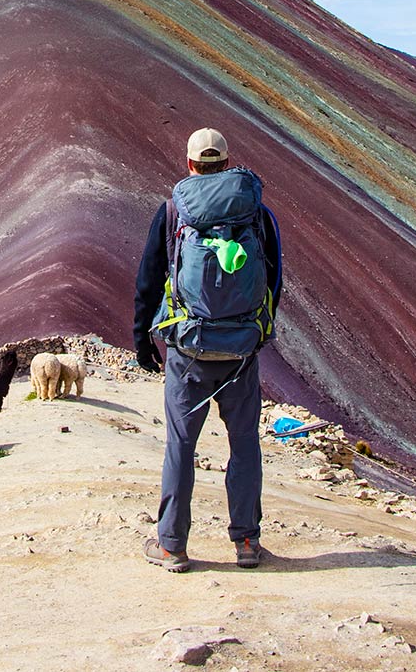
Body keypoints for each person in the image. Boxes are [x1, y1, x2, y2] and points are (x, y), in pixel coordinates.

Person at [134, 127, 282, 572]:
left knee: (181, 444)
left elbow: (148, 279)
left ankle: (172, 546)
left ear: (190, 163)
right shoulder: (257, 213)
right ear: (226, 162)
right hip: (240, 351)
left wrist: (143, 338)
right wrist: (256, 333)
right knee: (244, 444)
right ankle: (247, 544)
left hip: (188, 350)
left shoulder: (172, 211)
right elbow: (273, 279)